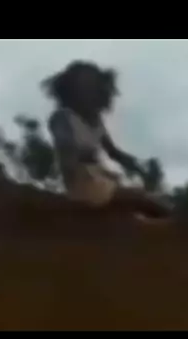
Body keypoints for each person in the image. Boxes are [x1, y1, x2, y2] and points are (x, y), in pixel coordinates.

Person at [41, 60, 172, 220]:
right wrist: (78, 156)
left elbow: (112, 151)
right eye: (83, 89)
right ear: (71, 93)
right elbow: (66, 148)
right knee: (140, 199)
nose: (88, 94)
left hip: (101, 177)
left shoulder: (96, 121)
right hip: (82, 184)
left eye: (91, 89)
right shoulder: (63, 117)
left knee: (140, 202)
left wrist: (136, 165)